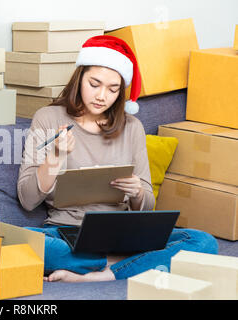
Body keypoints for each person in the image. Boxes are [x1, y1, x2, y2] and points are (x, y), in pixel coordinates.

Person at [17, 35, 218, 283]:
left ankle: (105, 274)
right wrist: (55, 157)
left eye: (113, 89)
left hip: (122, 232)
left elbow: (146, 206)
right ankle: (119, 262)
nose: (102, 96)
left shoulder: (132, 127)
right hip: (66, 233)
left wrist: (137, 192)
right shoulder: (47, 118)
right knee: (18, 239)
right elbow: (27, 199)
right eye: (94, 84)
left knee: (203, 242)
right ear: (79, 78)